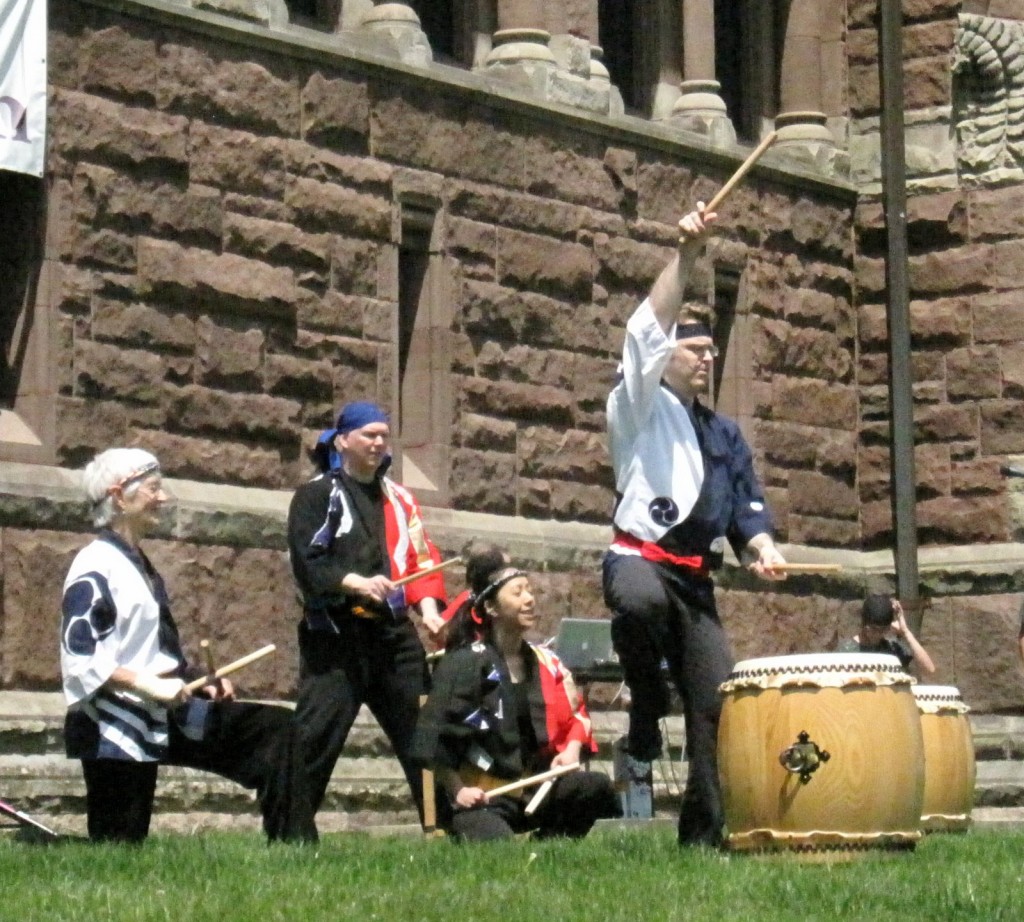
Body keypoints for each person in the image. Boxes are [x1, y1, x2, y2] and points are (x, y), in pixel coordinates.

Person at [602, 202, 787, 848]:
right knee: (639, 601)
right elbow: (644, 329)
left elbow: (746, 511)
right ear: (667, 356)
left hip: (696, 583)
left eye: (712, 351)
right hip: (639, 560)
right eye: (695, 349)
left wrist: (761, 550)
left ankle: (703, 835)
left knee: (717, 701)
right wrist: (687, 256)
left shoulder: (725, 434)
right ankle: (647, 707)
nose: (707, 360)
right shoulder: (635, 408)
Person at [60, 448, 306, 843]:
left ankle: (295, 847)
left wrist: (197, 679)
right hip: (114, 726)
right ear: (120, 496)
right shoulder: (94, 565)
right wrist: (147, 685)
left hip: (164, 710)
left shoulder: (138, 563)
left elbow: (149, 648)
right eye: (154, 489)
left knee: (275, 732)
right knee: (118, 849)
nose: (164, 498)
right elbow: (82, 658)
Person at [287, 401, 447, 840]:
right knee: (315, 739)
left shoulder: (400, 500)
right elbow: (309, 561)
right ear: (343, 440)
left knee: (425, 735)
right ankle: (291, 833)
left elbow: (421, 556)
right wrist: (355, 581)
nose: (378, 443)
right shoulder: (318, 495)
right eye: (369, 435)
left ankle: (443, 827)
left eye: (383, 435)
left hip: (392, 636)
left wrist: (430, 610)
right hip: (336, 636)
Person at [412, 546, 621, 841]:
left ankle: (549, 844)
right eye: (518, 592)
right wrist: (458, 790)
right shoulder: (464, 664)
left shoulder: (547, 662)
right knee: (496, 845)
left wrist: (571, 749)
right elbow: (433, 738)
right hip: (484, 799)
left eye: (530, 591)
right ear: (491, 608)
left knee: (594, 787)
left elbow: (576, 715)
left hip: (535, 788)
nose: (529, 599)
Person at [838, 593, 936, 674]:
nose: (878, 634)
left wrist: (905, 631)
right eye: (874, 629)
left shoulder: (891, 649)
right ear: (864, 625)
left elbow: (929, 669)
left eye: (884, 630)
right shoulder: (846, 651)